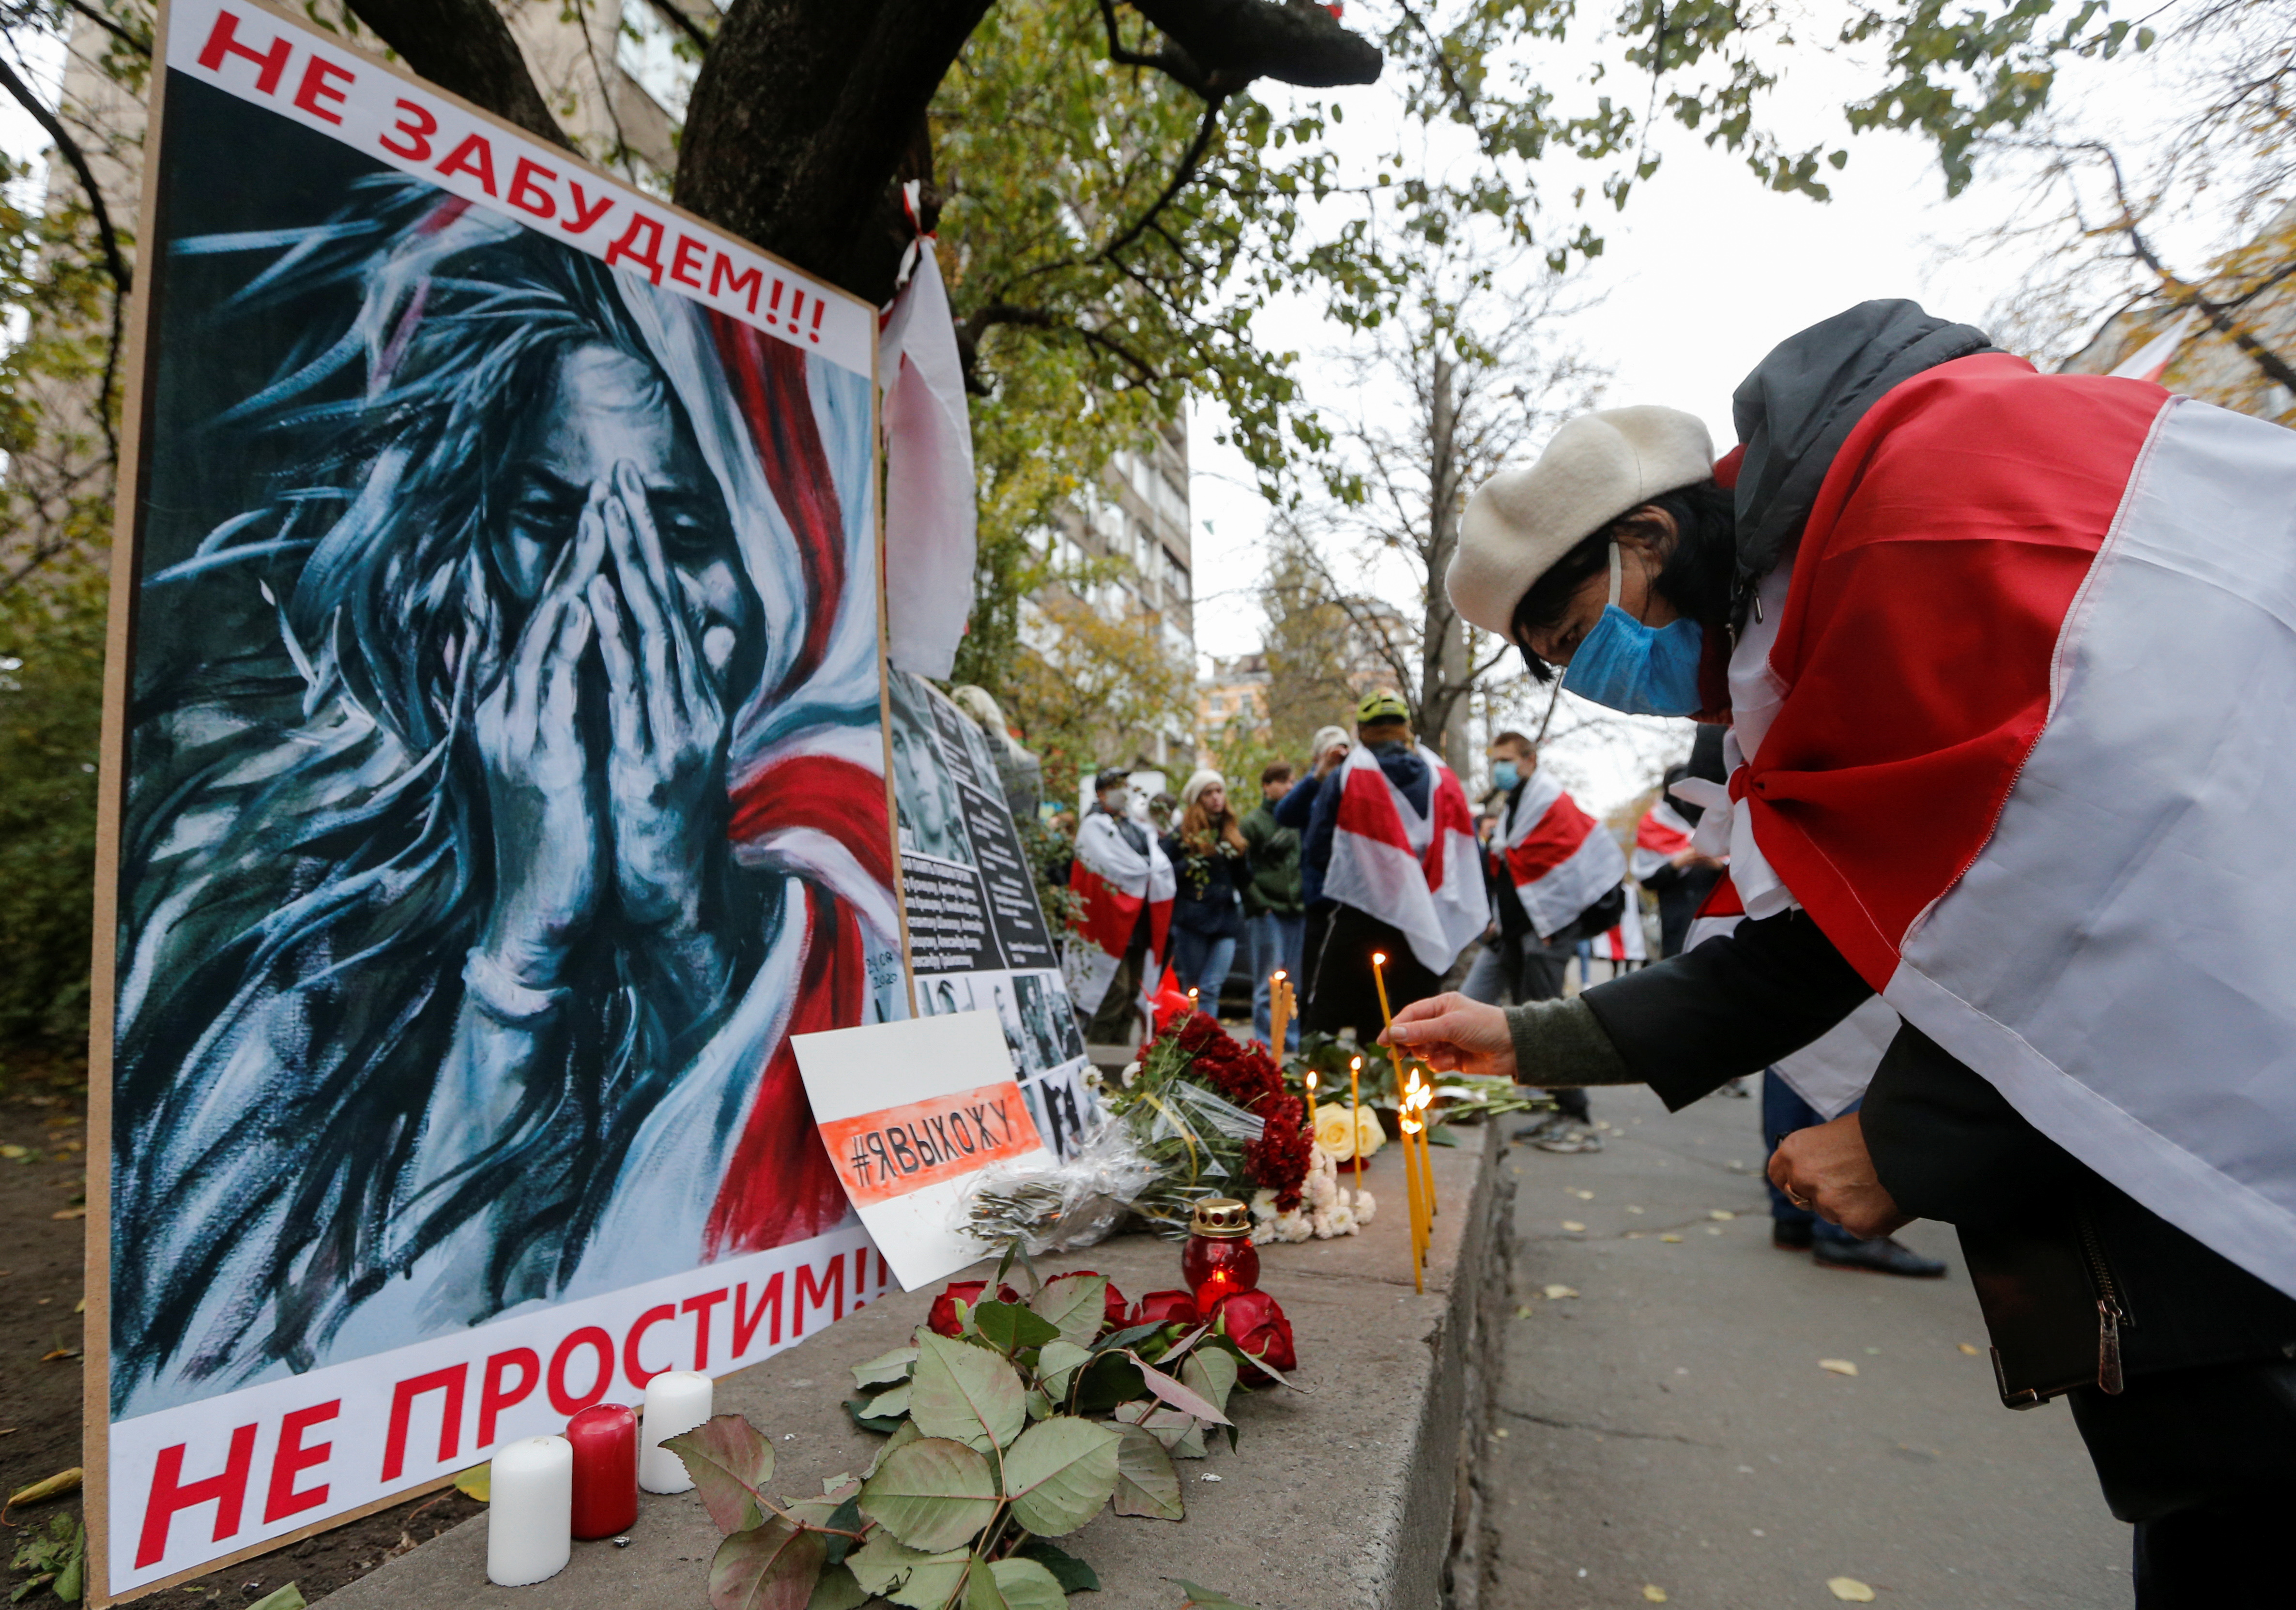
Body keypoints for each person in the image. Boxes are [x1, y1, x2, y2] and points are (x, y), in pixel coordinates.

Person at [1404, 299, 2296, 1604]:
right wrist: (1521, 1037)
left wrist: (1910, 1138)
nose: (1593, 685)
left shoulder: (1900, 520)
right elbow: (1816, 939)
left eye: (1574, 639)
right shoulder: (1806, 619)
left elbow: (2114, 845)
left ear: (1645, 536)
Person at [109, 183, 897, 1409]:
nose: (606, 590)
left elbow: (795, 1237)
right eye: (551, 517)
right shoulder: (304, 994)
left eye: (675, 530)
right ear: (471, 547)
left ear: (764, 582)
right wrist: (517, 964)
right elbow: (224, 1395)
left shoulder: (844, 954)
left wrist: (685, 925)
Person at [1464, 729, 1626, 1152]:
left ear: (1530, 759)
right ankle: (1559, 1110)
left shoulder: (1547, 800)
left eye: (1507, 759)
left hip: (1545, 934)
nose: (1500, 767)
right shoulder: (1519, 803)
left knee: (1548, 1028)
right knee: (1533, 1027)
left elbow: (1560, 870)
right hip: (1522, 935)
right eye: (1495, 759)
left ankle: (1578, 1118)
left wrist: (1538, 923)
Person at [1301, 693, 1487, 1040]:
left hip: (1361, 912)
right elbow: (1465, 851)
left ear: (1361, 731)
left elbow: (1318, 848)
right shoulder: (1443, 780)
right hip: (1422, 916)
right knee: (1420, 1021)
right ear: (1406, 729)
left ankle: (1313, 1087)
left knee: (1326, 1016)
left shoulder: (1345, 776)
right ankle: (1419, 1088)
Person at [1063, 768, 1174, 1045]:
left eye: (1126, 785)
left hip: (1138, 923)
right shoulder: (1094, 826)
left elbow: (1153, 864)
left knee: (1131, 996)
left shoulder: (1135, 827)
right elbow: (1112, 868)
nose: (1123, 791)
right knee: (1115, 991)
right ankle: (1099, 1057)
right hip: (1109, 923)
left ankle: (1121, 1059)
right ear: (1101, 794)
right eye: (1116, 786)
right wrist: (1141, 875)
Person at [1273, 723, 1351, 995]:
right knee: (1312, 973)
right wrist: (1319, 777)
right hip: (1318, 893)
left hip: (1353, 893)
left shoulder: (1356, 779)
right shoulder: (1312, 784)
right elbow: (1284, 815)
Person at [1162, 770, 1250, 1005]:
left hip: (1225, 921)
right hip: (1192, 921)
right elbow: (1164, 871)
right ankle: (1195, 1039)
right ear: (1198, 799)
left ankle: (1209, 1041)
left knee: (1212, 986)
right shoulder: (1182, 836)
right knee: (1194, 988)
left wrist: (1258, 907)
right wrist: (1193, 860)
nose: (1216, 798)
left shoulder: (1230, 832)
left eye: (1219, 791)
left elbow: (1244, 877)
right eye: (1208, 793)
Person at [1241, 761, 1306, 1049]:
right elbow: (1241, 870)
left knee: (1294, 985)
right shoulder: (1253, 822)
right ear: (1267, 786)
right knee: (1269, 982)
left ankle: (1291, 1044)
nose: (1289, 787)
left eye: (1292, 781)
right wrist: (1260, 904)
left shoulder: (1297, 822)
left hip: (1296, 909)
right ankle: (1266, 1045)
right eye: (1282, 781)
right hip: (1268, 911)